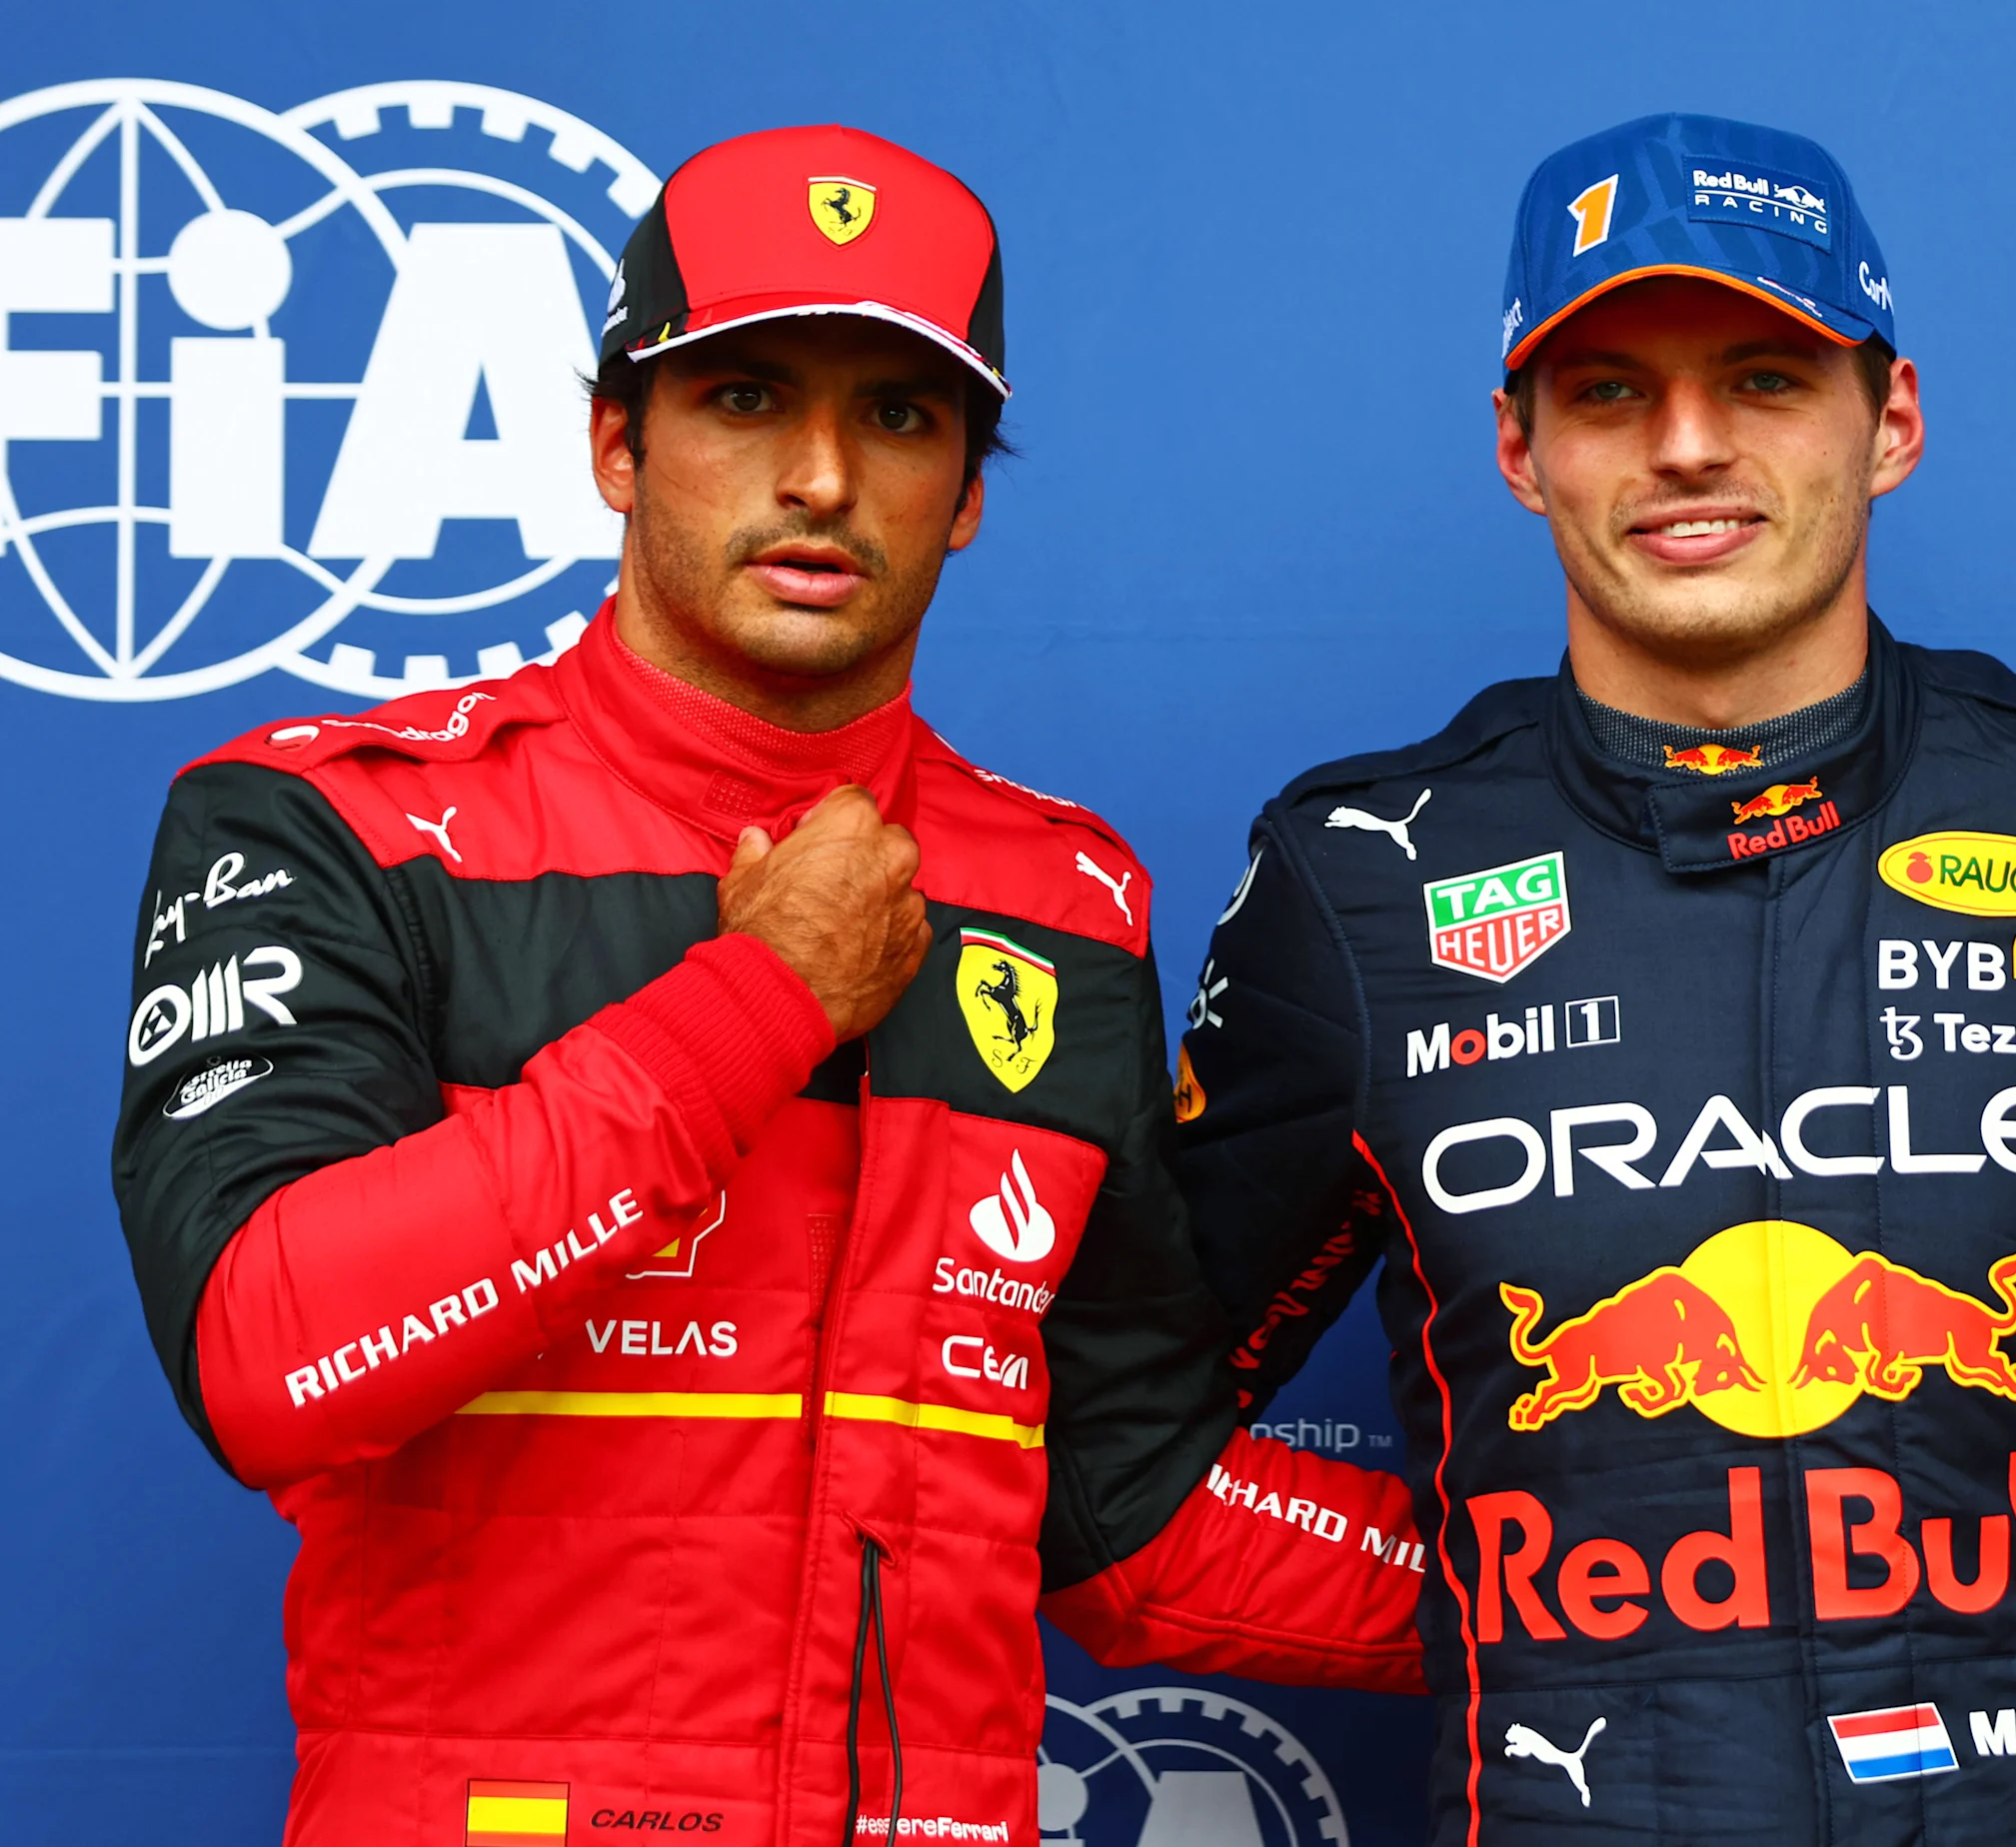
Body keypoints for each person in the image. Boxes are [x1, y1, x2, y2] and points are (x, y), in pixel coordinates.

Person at [112, 124, 1420, 1847]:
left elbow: (1126, 1515)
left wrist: (1651, 1600)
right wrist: (760, 1003)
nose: (820, 475)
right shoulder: (334, 823)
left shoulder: (1063, 898)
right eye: (743, 397)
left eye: (898, 414)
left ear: (963, 494)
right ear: (614, 442)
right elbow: (274, 1359)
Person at [1170, 112, 2016, 1846]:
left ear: (1895, 424)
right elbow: (1109, 1441)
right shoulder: (1362, 877)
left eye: (1768, 377)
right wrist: (1496, 1603)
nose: (1689, 446)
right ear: (1519, 447)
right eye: (1611, 391)